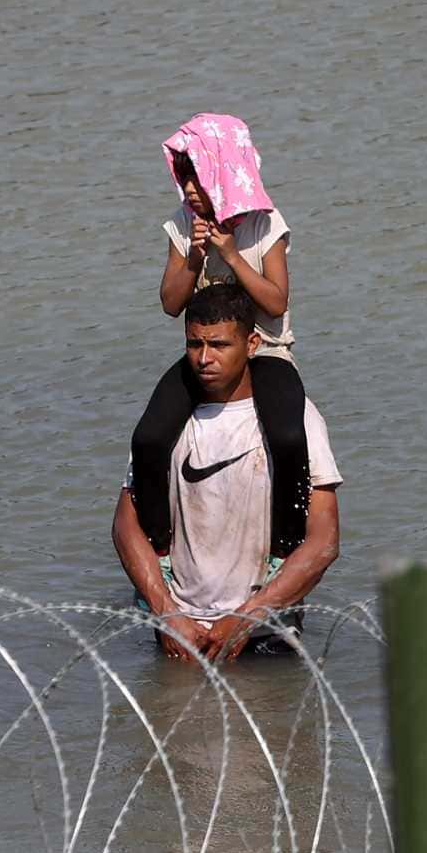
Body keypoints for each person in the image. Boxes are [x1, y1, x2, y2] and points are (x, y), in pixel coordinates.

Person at [112, 285, 342, 662]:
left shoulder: (299, 419)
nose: (205, 358)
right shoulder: (163, 427)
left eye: (219, 345)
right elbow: (125, 525)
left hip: (266, 632)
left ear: (251, 344)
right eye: (195, 344)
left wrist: (247, 617)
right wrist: (166, 612)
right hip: (179, 632)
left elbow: (325, 540)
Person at [131, 113, 310, 564]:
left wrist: (230, 254)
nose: (190, 189)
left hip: (265, 351)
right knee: (148, 438)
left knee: (289, 437)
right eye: (184, 178)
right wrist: (194, 257)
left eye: (199, 177)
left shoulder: (265, 224)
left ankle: (286, 548)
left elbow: (275, 302)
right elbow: (171, 303)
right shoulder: (182, 223)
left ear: (225, 174)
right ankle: (160, 548)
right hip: (206, 352)